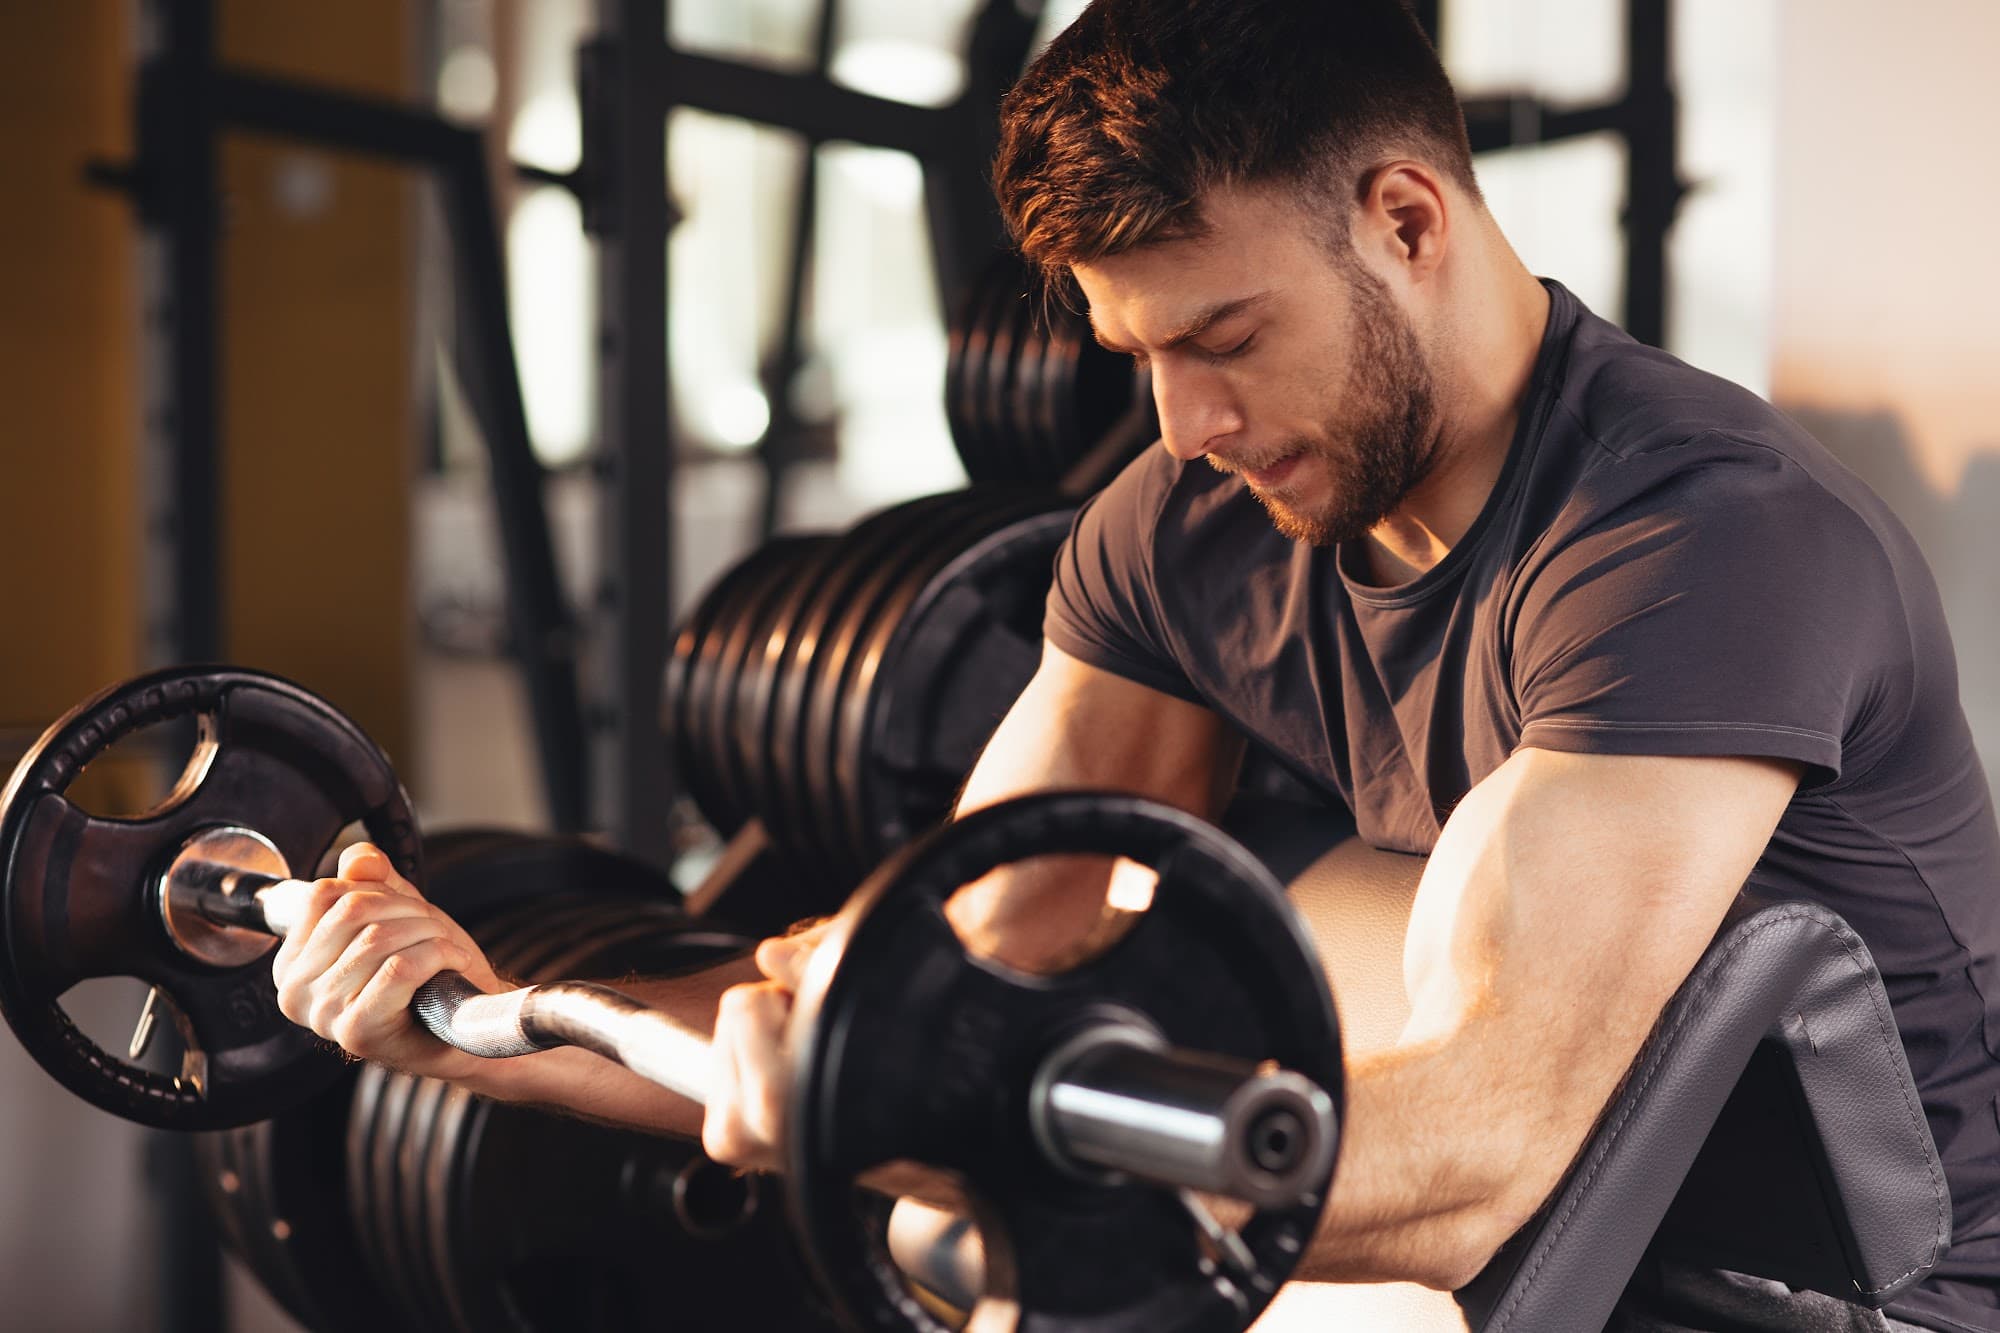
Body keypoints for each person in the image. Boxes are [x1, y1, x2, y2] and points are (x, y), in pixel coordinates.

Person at [270, 3, 2000, 1329]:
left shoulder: (1699, 536)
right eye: (1138, 353)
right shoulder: (1189, 525)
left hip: (1857, 1293)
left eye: (1225, 336)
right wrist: (494, 1024)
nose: (1183, 423)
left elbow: (1475, 1157)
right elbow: (947, 963)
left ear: (1407, 221)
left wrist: (957, 1124)